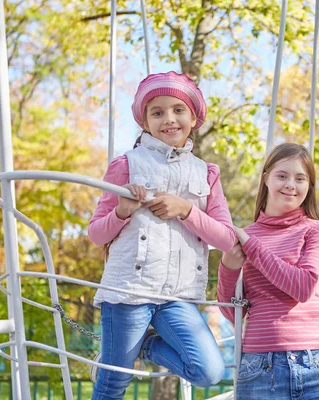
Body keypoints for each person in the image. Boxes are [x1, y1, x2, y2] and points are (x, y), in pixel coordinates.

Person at [88, 71, 236, 399]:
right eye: (157, 112)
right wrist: (122, 211)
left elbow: (226, 239)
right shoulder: (126, 165)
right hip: (128, 291)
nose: (169, 119)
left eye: (178, 110)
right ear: (145, 122)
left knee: (208, 371)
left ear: (194, 117)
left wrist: (186, 210)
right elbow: (96, 234)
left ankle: (145, 347)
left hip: (177, 297)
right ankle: (125, 350)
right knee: (114, 383)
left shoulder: (207, 173)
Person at [217, 143, 319, 399]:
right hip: (260, 368)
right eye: (282, 175)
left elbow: (304, 286)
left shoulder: (317, 231)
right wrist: (228, 268)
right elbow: (232, 313)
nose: (291, 184)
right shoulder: (245, 237)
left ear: (308, 186)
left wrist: (252, 247)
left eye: (300, 178)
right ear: (266, 177)